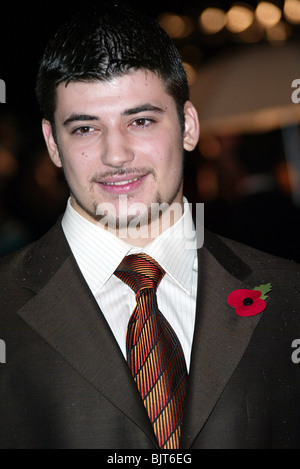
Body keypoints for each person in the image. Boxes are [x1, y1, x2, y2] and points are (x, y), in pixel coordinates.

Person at [0, 3, 299, 450]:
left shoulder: (289, 294)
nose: (116, 154)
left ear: (189, 126)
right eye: (84, 129)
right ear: (52, 144)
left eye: (140, 121)